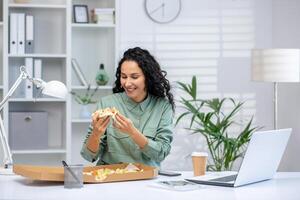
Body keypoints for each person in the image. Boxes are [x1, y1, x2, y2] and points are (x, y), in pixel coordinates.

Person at [81, 47, 175, 167]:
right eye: (124, 77)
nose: (127, 83)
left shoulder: (162, 107)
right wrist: (96, 133)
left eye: (134, 77)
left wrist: (133, 132)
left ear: (148, 78)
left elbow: (161, 153)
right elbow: (88, 156)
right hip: (110, 177)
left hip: (145, 179)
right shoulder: (106, 104)